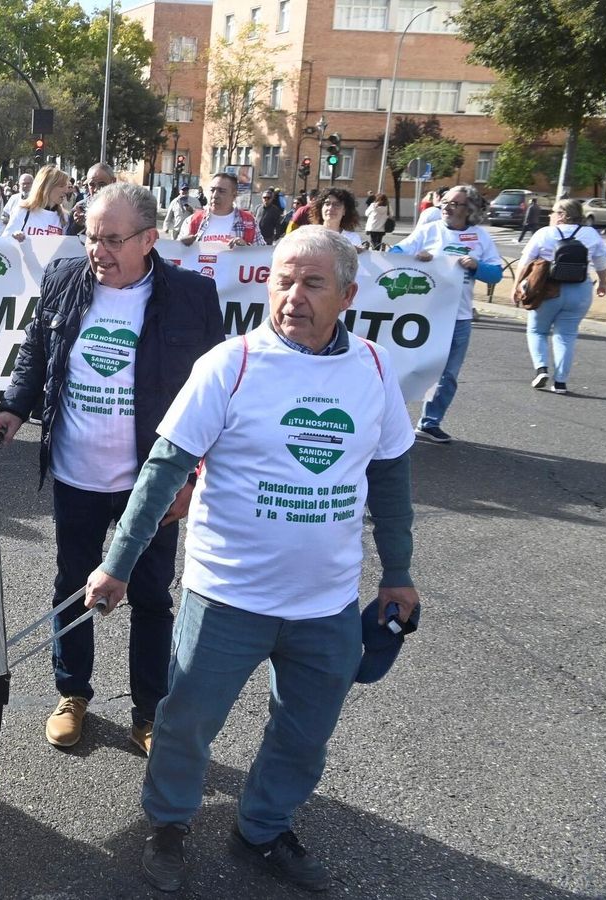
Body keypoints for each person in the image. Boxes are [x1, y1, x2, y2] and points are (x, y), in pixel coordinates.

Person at [84, 225, 419, 895]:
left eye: (313, 284)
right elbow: (161, 471)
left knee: (304, 734)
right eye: (283, 281)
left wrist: (398, 572)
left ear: (348, 295)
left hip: (324, 605)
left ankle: (262, 830)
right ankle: (170, 825)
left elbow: (389, 478)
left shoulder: (376, 369)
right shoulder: (230, 364)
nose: (293, 296)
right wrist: (117, 563)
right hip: (226, 596)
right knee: (185, 724)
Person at [0, 183, 224, 753]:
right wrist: (13, 409)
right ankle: (73, 694)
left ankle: (149, 710)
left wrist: (193, 479)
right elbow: (36, 352)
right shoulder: (64, 279)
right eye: (91, 235)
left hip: (151, 482)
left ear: (149, 239)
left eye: (113, 239)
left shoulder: (191, 297)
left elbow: (215, 395)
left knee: (150, 596)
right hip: (77, 473)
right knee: (73, 586)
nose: (98, 250)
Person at [389, 185, 502, 443]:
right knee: (408, 367)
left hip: (458, 318)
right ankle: (392, 420)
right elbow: (395, 254)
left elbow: (495, 273)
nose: (446, 208)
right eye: (444, 203)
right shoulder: (429, 231)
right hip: (423, 316)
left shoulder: (480, 237)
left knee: (448, 374)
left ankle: (430, 423)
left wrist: (476, 266)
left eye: (454, 204)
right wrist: (416, 258)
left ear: (469, 209)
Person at [518, 198, 606, 394]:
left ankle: (541, 369)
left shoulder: (544, 233)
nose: (550, 215)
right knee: (566, 336)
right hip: (579, 289)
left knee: (537, 331)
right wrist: (602, 283)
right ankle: (560, 382)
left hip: (547, 290)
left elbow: (525, 261)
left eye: (553, 212)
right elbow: (601, 263)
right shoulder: (591, 234)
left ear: (562, 215)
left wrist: (516, 285)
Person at [179, 172, 261, 247]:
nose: (215, 195)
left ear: (234, 194)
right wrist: (181, 245)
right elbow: (174, 256)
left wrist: (246, 248)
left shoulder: (249, 222)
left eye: (221, 191)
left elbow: (263, 255)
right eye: (212, 190)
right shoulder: (192, 220)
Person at [7, 165, 71, 237]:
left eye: (66, 186)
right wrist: (14, 238)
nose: (66, 190)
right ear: (47, 187)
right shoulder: (23, 211)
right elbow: (4, 242)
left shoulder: (65, 217)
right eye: (61, 186)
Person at [66, 163, 118, 238]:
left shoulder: (125, 207)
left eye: (102, 184)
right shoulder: (79, 208)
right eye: (92, 185)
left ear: (113, 181)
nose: (96, 189)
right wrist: (77, 225)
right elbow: (68, 240)